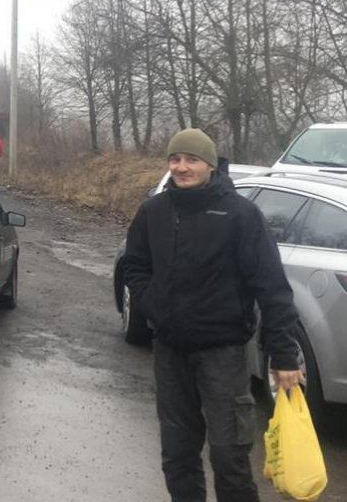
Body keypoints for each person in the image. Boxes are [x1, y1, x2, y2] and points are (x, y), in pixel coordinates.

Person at [123, 128, 301, 502]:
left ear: (209, 164)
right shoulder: (155, 210)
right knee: (177, 453)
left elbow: (272, 287)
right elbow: (135, 264)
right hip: (170, 351)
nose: (182, 167)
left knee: (230, 454)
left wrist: (283, 355)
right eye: (175, 159)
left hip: (222, 354)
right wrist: (152, 301)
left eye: (191, 160)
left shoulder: (240, 214)